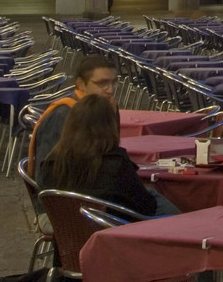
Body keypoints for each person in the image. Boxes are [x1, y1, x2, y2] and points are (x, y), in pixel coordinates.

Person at [37, 94, 176, 217]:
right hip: (116, 232)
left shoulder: (51, 163)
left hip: (69, 234)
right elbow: (146, 207)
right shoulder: (116, 165)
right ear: (110, 127)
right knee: (162, 204)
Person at [29, 55, 117, 171]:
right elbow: (45, 172)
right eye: (102, 83)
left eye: (114, 83)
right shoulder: (62, 115)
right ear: (81, 84)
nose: (110, 90)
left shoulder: (108, 108)